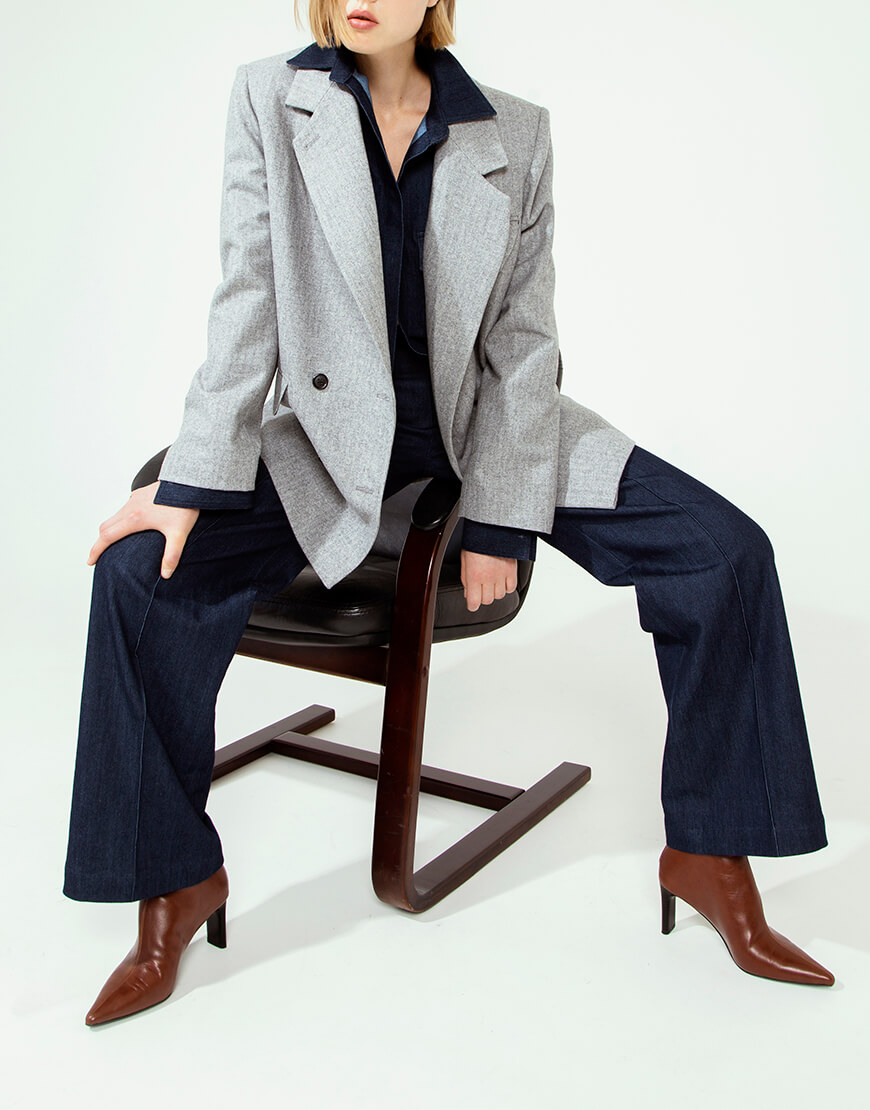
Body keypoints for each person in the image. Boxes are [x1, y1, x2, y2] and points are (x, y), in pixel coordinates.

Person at [64, 0, 835, 1027]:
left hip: (489, 428)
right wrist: (190, 480)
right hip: (325, 439)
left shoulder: (514, 130)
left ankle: (712, 853)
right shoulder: (270, 98)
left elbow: (523, 342)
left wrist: (501, 520)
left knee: (724, 553)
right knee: (138, 573)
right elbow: (246, 299)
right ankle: (173, 883)